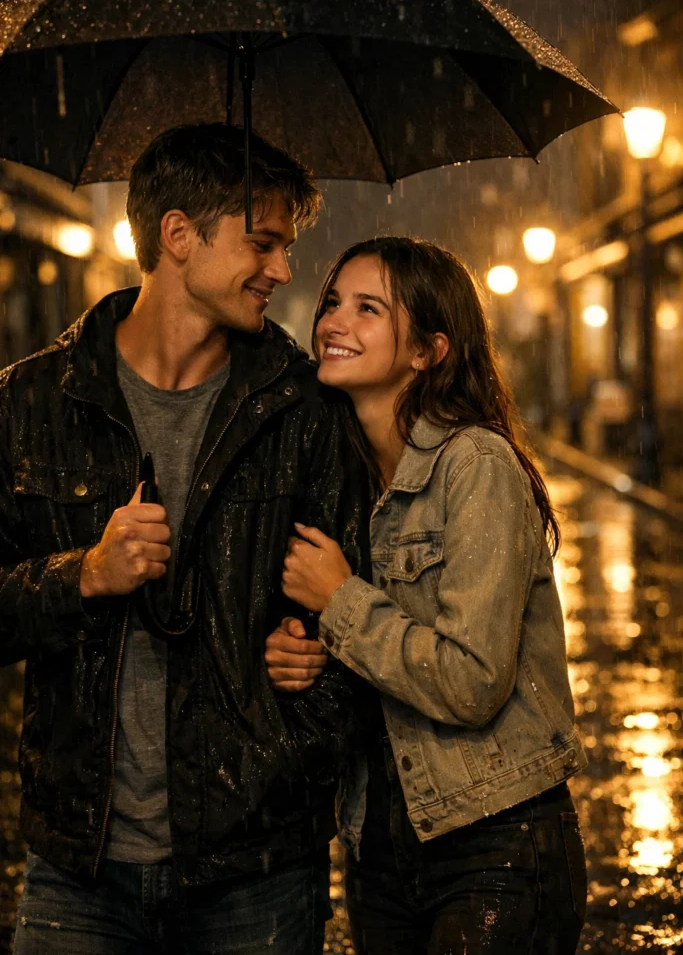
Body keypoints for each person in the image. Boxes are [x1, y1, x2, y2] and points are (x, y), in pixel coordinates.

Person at [2, 123, 369, 955]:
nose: (281, 271)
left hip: (258, 871)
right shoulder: (31, 404)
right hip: (77, 869)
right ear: (178, 236)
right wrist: (82, 575)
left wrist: (313, 659)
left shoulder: (306, 413)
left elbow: (371, 615)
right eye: (262, 242)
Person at [265, 237, 589, 955]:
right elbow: (380, 662)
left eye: (367, 309)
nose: (332, 322)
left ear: (427, 351)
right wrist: (311, 655)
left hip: (493, 843)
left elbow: (473, 682)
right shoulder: (346, 475)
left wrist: (341, 602)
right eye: (332, 303)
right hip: (379, 843)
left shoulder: (474, 465)